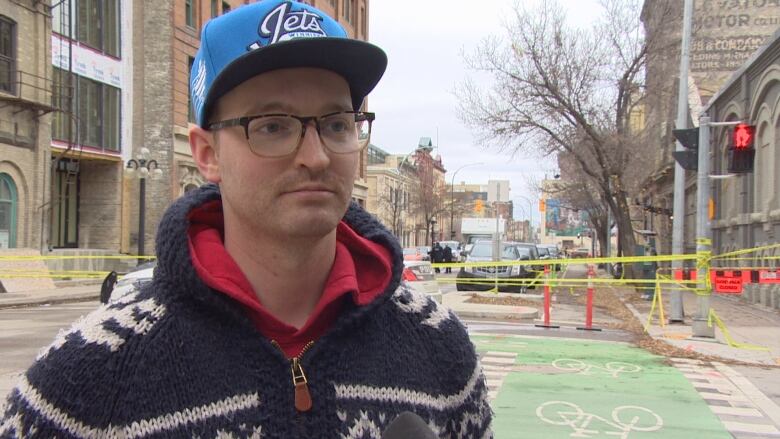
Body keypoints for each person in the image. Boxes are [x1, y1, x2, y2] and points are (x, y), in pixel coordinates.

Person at [0, 1, 492, 437]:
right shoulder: (84, 380)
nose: (317, 156)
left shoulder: (440, 348)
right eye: (273, 126)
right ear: (208, 153)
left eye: (337, 123)